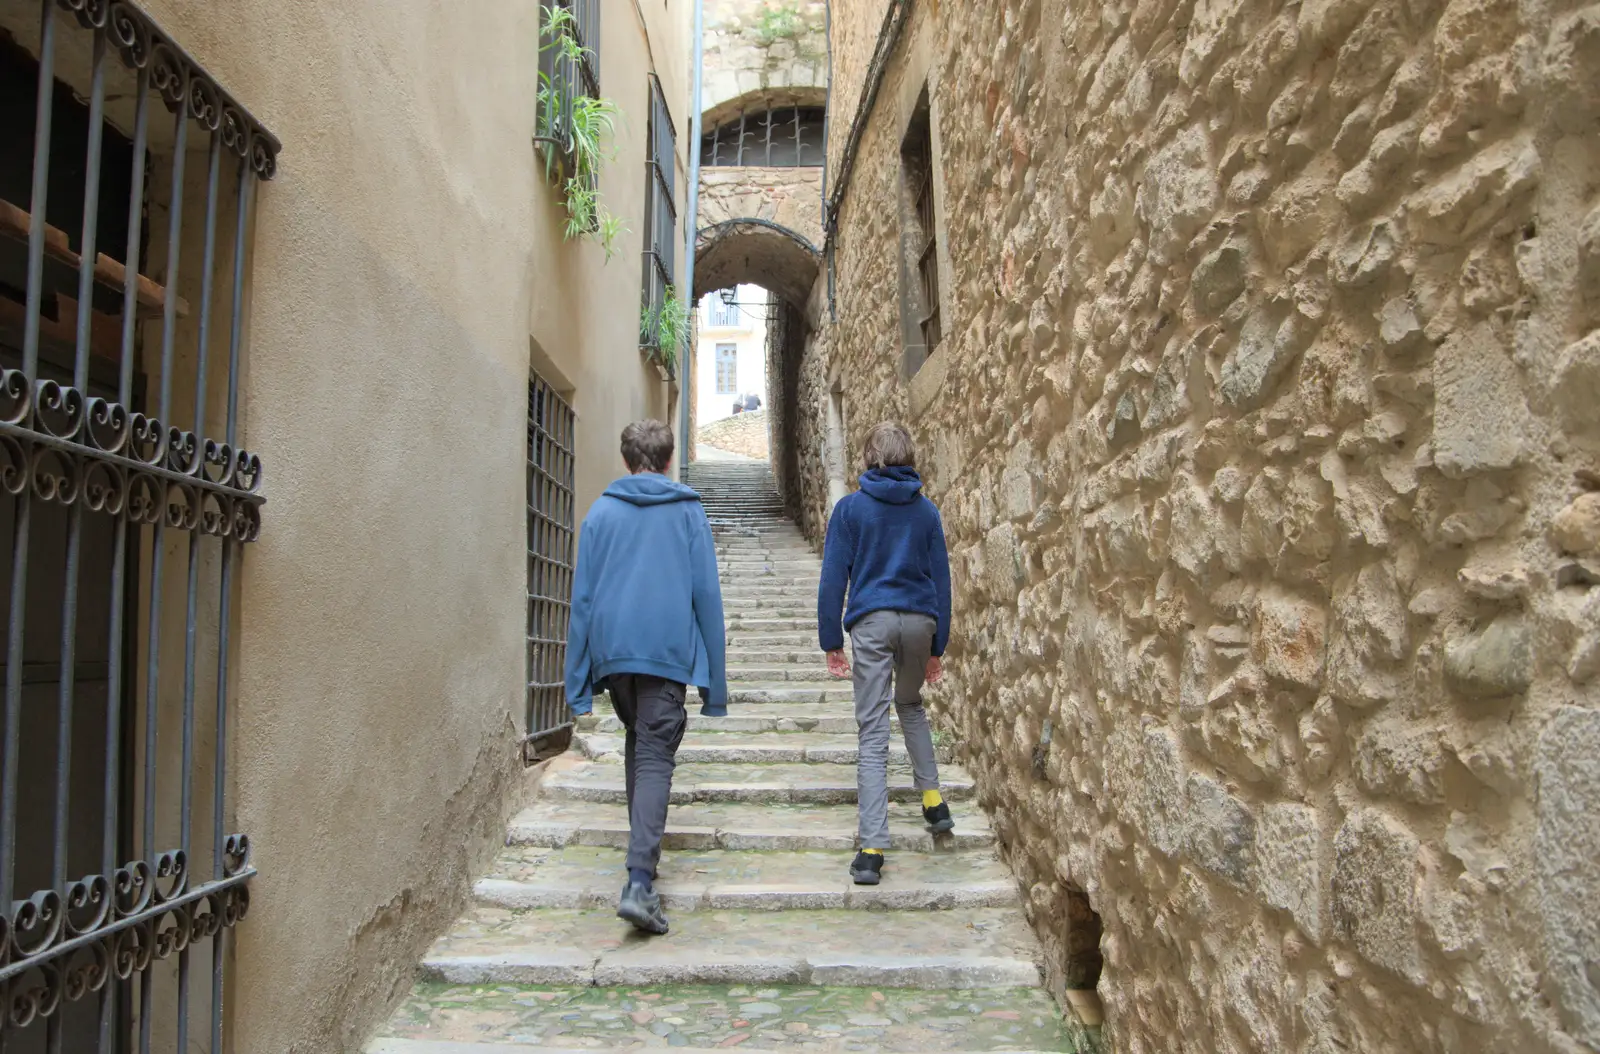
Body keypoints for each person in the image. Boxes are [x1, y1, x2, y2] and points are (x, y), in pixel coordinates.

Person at [565, 419, 727, 934]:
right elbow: (707, 596)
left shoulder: (600, 514)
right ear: (668, 458)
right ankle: (638, 883)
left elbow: (582, 601)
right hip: (664, 649)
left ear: (626, 458)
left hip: (615, 654)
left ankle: (644, 867)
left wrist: (577, 684)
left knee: (641, 742)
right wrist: (715, 685)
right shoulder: (686, 512)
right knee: (656, 754)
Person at [816, 421, 954, 886]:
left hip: (872, 624)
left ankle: (872, 848)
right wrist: (938, 644)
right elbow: (942, 580)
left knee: (873, 732)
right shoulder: (926, 512)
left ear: (869, 456)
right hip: (920, 622)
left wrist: (830, 639)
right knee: (911, 703)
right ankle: (933, 802)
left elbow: (834, 577)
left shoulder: (851, 510)